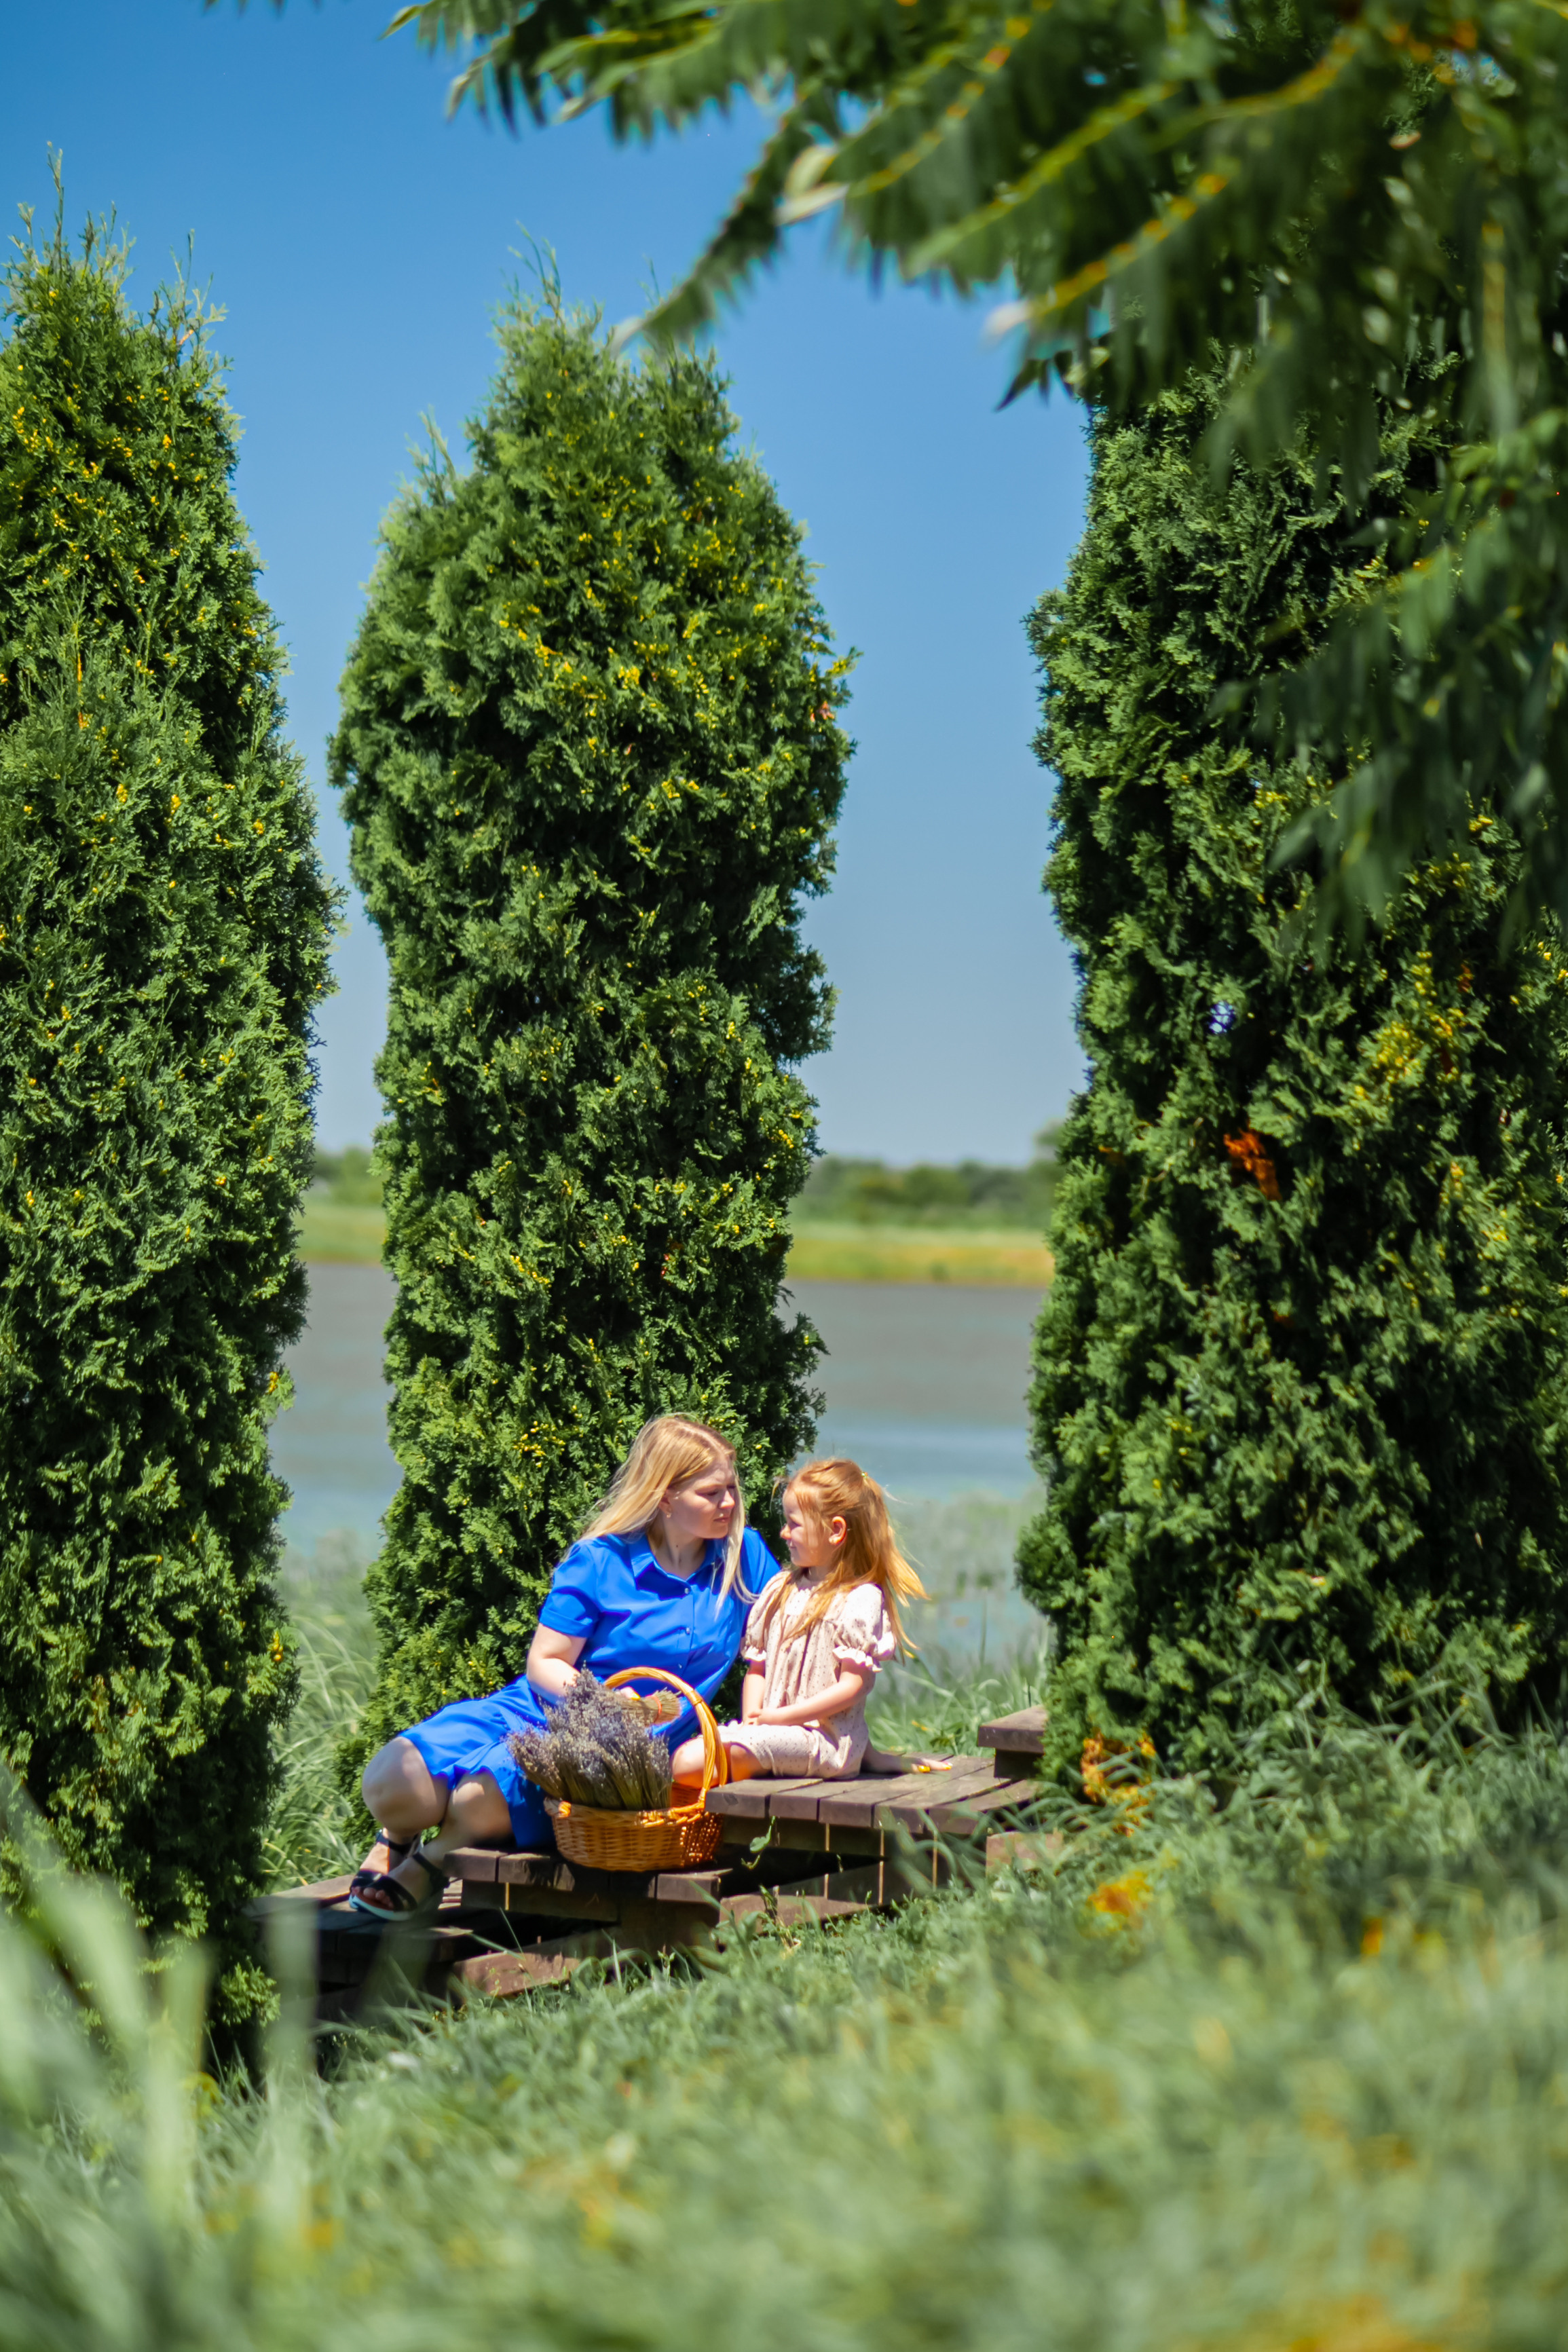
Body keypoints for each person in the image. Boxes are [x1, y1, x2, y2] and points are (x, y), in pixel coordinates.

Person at [350, 1415, 769, 1916]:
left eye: (731, 1488)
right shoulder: (599, 1559)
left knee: (472, 1801)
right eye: (712, 1493)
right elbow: (544, 1663)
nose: (730, 1503)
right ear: (665, 1497)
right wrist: (607, 1701)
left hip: (609, 1751)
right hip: (537, 1706)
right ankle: (397, 1834)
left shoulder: (744, 1557)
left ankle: (435, 1860)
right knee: (393, 1781)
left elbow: (792, 1631)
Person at [672, 1455, 928, 1791]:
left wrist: (780, 1719)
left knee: (691, 1764)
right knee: (685, 1757)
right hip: (776, 1732)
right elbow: (758, 1669)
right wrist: (754, 1718)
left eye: (794, 1523)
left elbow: (853, 1687)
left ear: (836, 1531)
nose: (784, 1532)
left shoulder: (860, 1598)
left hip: (823, 1742)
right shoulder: (780, 1588)